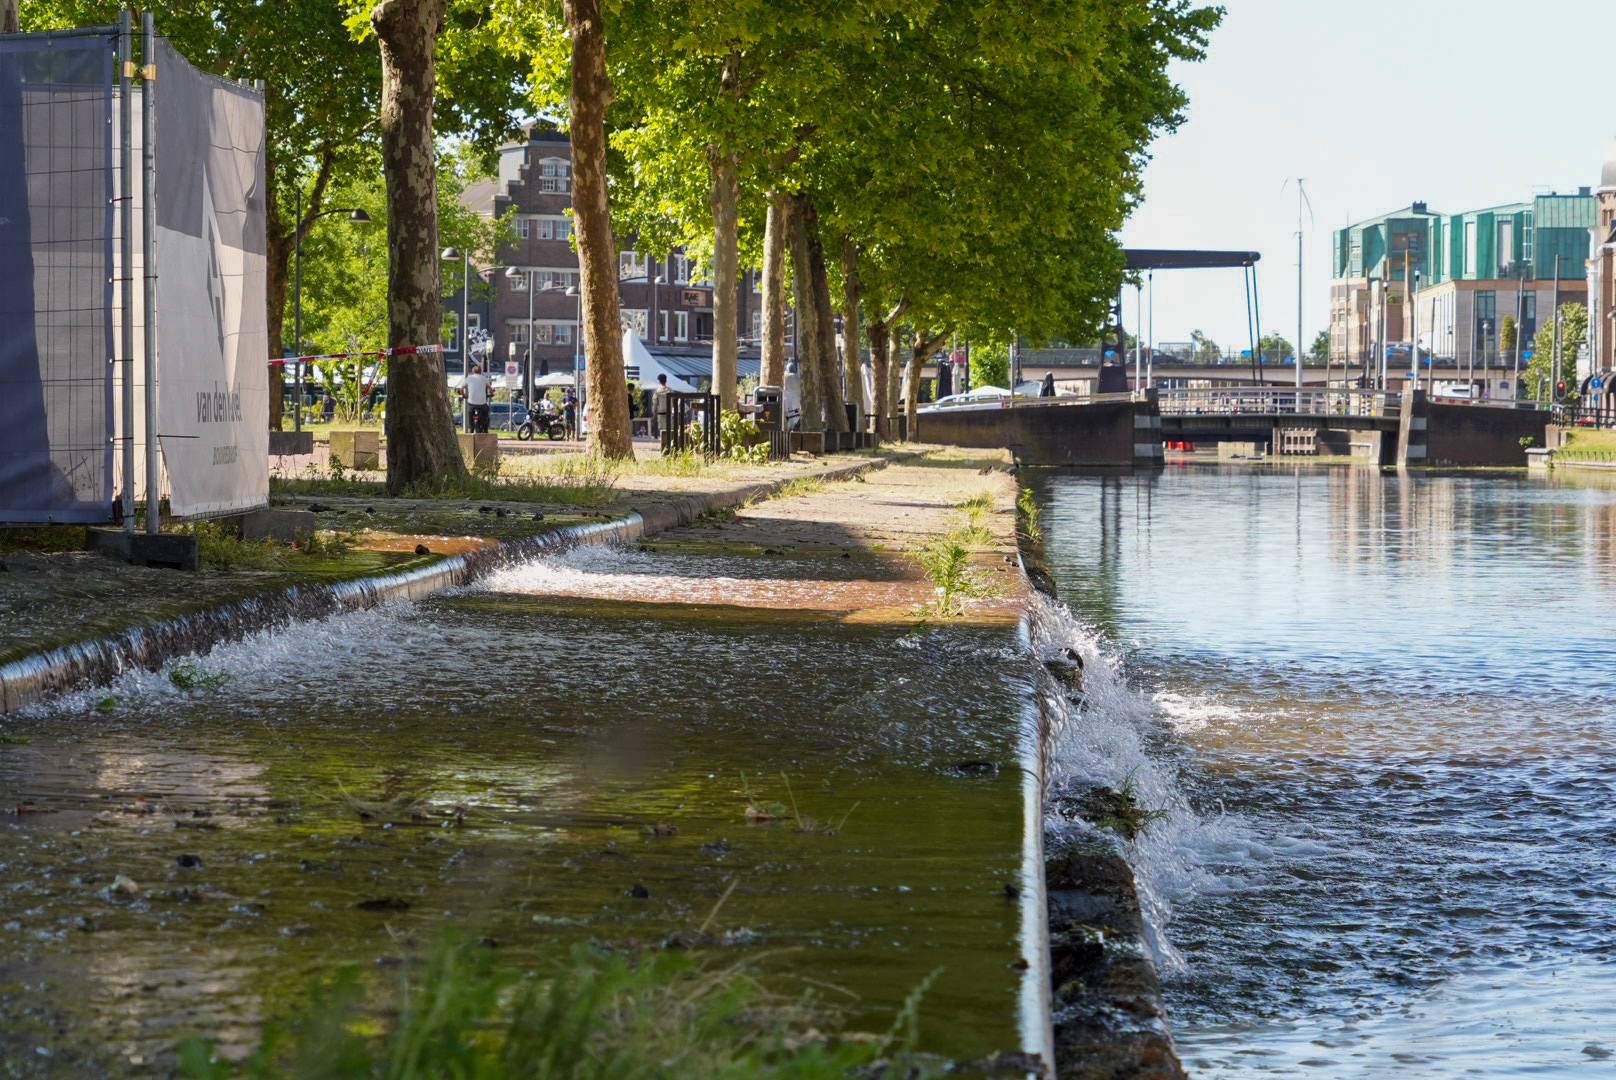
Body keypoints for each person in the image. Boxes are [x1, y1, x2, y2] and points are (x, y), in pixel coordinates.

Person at [463, 363, 491, 433]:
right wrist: (492, 393)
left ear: (473, 372)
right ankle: (485, 428)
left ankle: (471, 428)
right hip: (482, 403)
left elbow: (461, 388)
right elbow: (490, 388)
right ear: (481, 372)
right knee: (486, 412)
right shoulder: (484, 378)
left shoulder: (469, 378)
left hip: (471, 402)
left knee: (470, 413)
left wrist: (464, 395)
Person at [652, 373, 671, 451]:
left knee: (662, 430)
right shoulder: (670, 390)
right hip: (669, 413)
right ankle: (668, 445)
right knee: (669, 429)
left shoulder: (657, 391)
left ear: (659, 381)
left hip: (660, 413)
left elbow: (655, 403)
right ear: (666, 380)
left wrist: (654, 413)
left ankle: (662, 446)